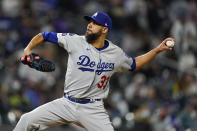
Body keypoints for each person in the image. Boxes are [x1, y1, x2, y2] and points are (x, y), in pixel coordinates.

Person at [14, 11, 174, 131]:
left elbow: (134, 64)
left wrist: (157, 50)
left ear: (104, 29)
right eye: (89, 21)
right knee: (26, 120)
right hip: (67, 103)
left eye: (94, 23)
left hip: (92, 109)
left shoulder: (115, 53)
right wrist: (28, 50)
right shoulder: (75, 40)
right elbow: (44, 35)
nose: (89, 25)